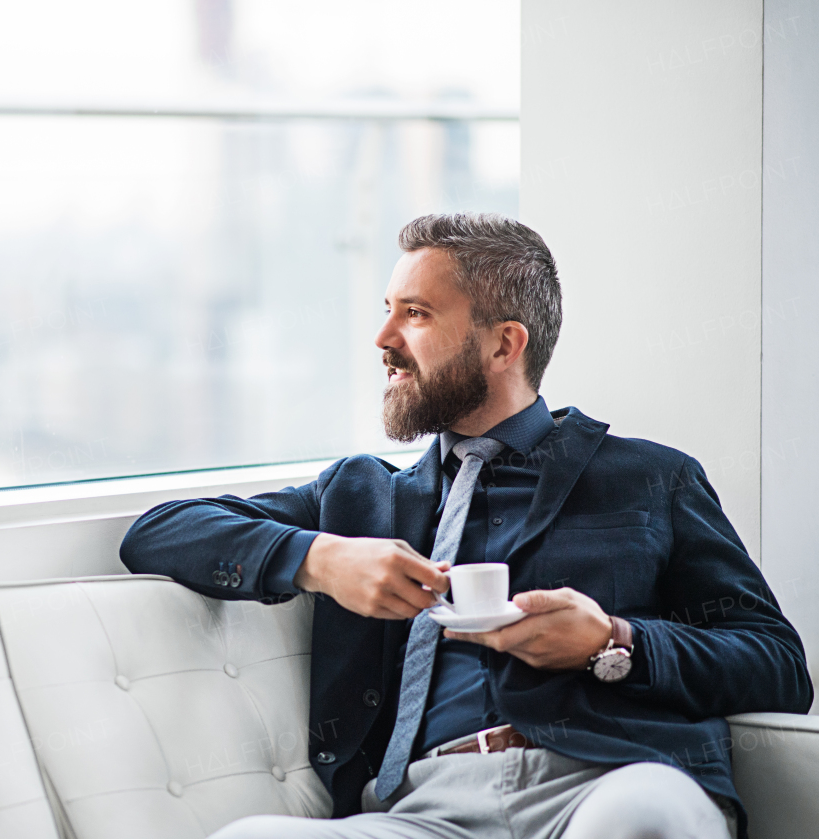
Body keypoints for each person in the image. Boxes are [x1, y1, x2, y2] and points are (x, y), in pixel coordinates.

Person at [119, 213, 812, 839]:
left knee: (638, 822)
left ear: (505, 344)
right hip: (424, 809)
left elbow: (778, 666)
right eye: (387, 311)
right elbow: (159, 531)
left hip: (610, 779)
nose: (384, 340)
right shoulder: (361, 498)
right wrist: (322, 560)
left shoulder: (652, 478)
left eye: (415, 315)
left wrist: (613, 641)